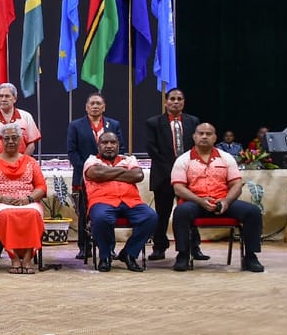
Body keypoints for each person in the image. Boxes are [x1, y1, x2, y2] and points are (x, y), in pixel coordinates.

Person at [170, 123, 264, 273]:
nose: (204, 136)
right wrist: (200, 201)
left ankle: (251, 256)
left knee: (252, 212)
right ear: (194, 137)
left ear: (215, 138)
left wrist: (226, 201)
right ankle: (183, 255)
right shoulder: (183, 159)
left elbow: (237, 185)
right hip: (195, 202)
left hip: (223, 202)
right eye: (201, 133)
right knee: (181, 212)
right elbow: (178, 188)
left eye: (209, 134)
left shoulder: (226, 158)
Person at [0, 123, 47, 274]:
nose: (11, 141)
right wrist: (2, 199)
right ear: (0, 140)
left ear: (20, 140)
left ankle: (27, 258)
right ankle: (14, 257)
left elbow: (41, 187)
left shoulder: (31, 162)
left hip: (28, 201)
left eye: (14, 138)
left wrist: (28, 199)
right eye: (7, 138)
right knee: (7, 214)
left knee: (33, 214)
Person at [83, 131, 157, 272]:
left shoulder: (129, 159)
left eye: (113, 143)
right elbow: (97, 174)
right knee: (100, 218)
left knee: (150, 217)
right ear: (98, 146)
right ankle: (105, 256)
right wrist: (123, 172)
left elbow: (137, 175)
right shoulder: (92, 160)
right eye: (105, 143)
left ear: (118, 145)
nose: (109, 146)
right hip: (102, 201)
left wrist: (108, 174)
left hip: (131, 201)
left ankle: (129, 253)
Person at [145, 88, 202, 261]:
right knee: (162, 213)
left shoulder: (193, 121)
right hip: (163, 175)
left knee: (190, 212)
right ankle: (159, 247)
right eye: (172, 99)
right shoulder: (153, 122)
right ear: (166, 102)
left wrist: (186, 171)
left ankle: (194, 247)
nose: (175, 102)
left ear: (183, 102)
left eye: (179, 99)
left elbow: (197, 147)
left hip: (190, 177)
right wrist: (174, 171)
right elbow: (152, 149)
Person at [66, 93, 123, 260]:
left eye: (99, 103)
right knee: (84, 212)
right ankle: (84, 247)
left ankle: (109, 247)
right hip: (83, 177)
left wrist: (107, 170)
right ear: (86, 107)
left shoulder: (114, 124)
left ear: (104, 107)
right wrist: (88, 170)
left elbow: (122, 149)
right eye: (92, 103)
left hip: (109, 176)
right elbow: (72, 152)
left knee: (107, 213)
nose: (95, 106)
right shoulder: (76, 125)